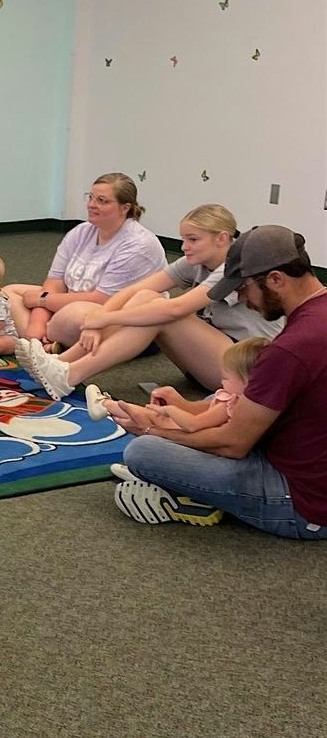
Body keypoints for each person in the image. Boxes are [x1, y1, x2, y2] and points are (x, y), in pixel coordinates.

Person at [113, 226, 325, 540]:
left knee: (143, 452)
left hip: (301, 504)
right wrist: (188, 412)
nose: (241, 298)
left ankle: (193, 499)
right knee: (225, 397)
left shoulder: (289, 349)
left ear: (277, 280)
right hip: (309, 467)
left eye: (244, 288)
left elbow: (232, 444)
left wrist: (154, 430)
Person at [14, 203, 283, 402]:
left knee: (164, 311)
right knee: (146, 299)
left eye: (193, 240)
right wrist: (96, 323)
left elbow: (177, 308)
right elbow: (134, 291)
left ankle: (69, 374)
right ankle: (62, 363)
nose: (185, 246)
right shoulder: (195, 262)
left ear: (222, 238)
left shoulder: (231, 268)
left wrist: (105, 319)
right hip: (210, 358)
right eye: (183, 239)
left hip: (245, 368)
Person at [4, 173, 165, 366]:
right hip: (68, 305)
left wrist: (41, 301)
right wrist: (36, 324)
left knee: (72, 315)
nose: (91, 204)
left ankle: (43, 343)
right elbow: (54, 282)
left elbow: (103, 299)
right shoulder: (81, 232)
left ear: (125, 208)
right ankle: (41, 343)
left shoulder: (138, 244)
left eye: (102, 200)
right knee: (9, 292)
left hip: (121, 321)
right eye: (91, 197)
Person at [89, 336, 266, 434]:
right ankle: (108, 407)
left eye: (227, 379)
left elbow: (194, 424)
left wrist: (170, 411)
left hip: (195, 434)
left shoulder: (232, 404)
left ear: (247, 381)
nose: (221, 382)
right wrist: (179, 404)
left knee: (154, 418)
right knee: (150, 415)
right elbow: (204, 413)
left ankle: (105, 405)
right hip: (204, 432)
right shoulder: (241, 401)